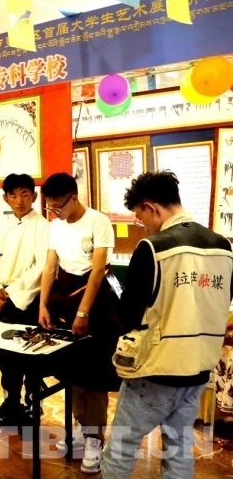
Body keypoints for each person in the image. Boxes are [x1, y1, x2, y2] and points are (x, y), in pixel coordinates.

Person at [101, 171, 233, 478]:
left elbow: (131, 314)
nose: (143, 225)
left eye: (140, 218)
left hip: (156, 370)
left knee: (122, 447)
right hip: (199, 369)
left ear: (151, 207)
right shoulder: (223, 247)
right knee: (179, 447)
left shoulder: (153, 248)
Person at [39, 172, 121, 475]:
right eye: (49, 207)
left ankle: (94, 439)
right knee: (72, 371)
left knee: (95, 375)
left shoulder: (98, 221)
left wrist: (84, 313)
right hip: (66, 298)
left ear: (74, 198)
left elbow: (98, 270)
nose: (54, 212)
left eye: (58, 206)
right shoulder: (55, 226)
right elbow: (50, 267)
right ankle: (79, 426)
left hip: (96, 301)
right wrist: (43, 305)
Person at [0, 174, 50, 428]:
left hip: (26, 300)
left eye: (24, 194)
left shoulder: (43, 227)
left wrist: (11, 294)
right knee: (7, 357)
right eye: (13, 195)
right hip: (3, 300)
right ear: (6, 198)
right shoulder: (4, 226)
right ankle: (11, 403)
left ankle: (33, 405)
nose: (19, 200)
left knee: (31, 357)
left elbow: (40, 267)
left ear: (34, 196)